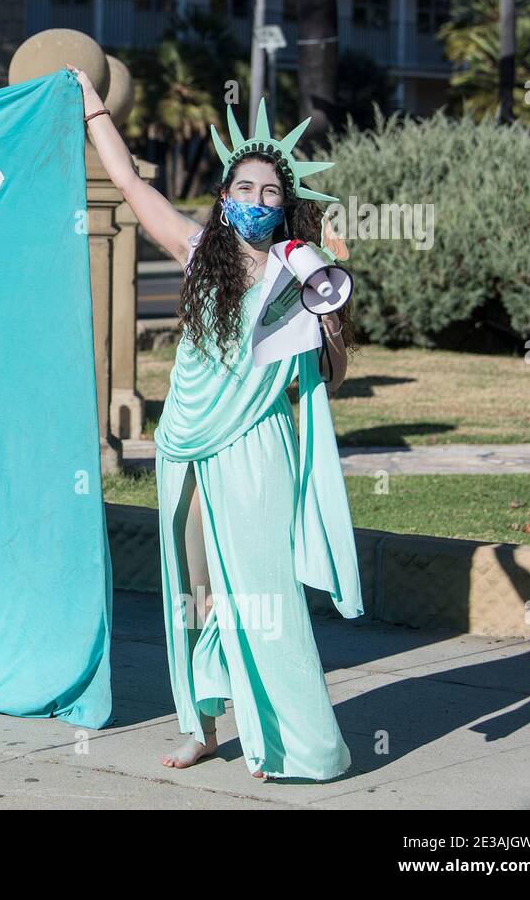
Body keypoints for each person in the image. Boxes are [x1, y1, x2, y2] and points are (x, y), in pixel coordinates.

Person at [71, 66, 363, 781]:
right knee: (193, 589)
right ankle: (200, 726)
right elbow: (135, 189)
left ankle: (293, 740)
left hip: (257, 446)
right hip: (184, 445)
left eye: (270, 192)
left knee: (264, 595)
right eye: (245, 189)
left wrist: (326, 324)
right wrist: (92, 109)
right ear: (225, 200)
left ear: (284, 204)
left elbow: (333, 374)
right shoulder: (198, 253)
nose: (257, 201)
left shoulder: (301, 271)